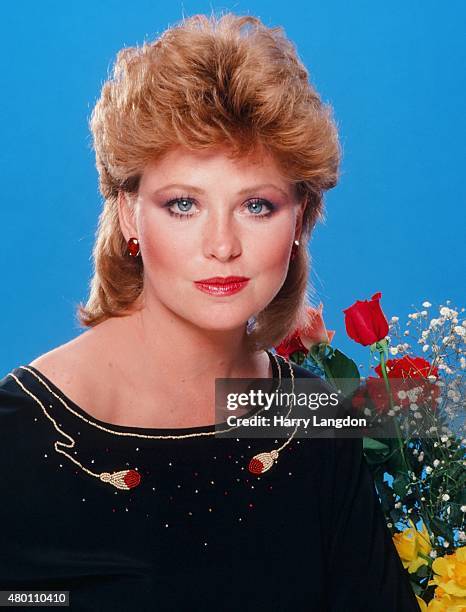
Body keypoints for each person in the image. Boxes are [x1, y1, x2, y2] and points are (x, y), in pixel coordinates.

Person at [0, 12, 420, 611]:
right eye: (182, 205)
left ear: (298, 217)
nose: (222, 245)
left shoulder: (312, 416)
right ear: (127, 214)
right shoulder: (17, 432)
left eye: (256, 205)